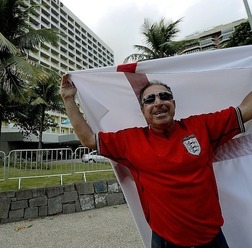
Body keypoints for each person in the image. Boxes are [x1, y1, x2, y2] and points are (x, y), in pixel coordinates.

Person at [60, 74, 252, 248]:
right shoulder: (130, 141)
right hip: (167, 242)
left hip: (213, 239)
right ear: (143, 110)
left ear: (174, 104)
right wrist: (68, 99)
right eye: (150, 99)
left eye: (164, 96)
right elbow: (89, 140)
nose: (158, 102)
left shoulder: (201, 126)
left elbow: (245, 110)